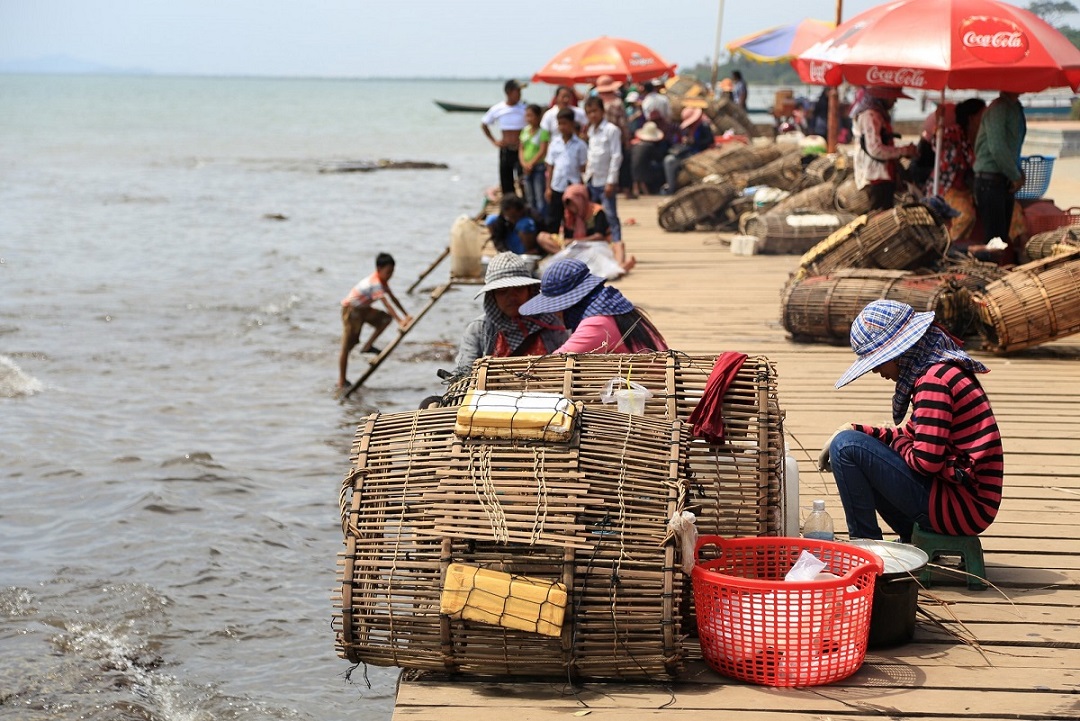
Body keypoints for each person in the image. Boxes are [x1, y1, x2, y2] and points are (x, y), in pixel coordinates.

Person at [818, 300, 1003, 542]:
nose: (876, 371)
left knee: (846, 447)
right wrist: (855, 429)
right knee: (849, 438)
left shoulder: (933, 381)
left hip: (959, 507)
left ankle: (866, 547)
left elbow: (925, 462)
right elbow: (910, 434)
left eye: (877, 362)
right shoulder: (938, 370)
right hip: (964, 503)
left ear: (899, 353)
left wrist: (889, 444)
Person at [451, 252, 568, 376]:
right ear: (492, 296)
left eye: (518, 289)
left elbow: (565, 366)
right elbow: (464, 372)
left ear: (529, 291)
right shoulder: (479, 330)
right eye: (502, 291)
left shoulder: (550, 324)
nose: (512, 297)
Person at [519, 258, 666, 354]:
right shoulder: (610, 305)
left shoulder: (597, 322)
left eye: (556, 308)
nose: (555, 314)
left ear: (571, 303)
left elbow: (556, 364)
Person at [917, 98, 987, 244]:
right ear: (972, 117)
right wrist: (939, 123)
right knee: (965, 215)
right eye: (983, 115)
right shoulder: (955, 133)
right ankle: (949, 247)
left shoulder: (977, 138)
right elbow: (939, 142)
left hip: (966, 188)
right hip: (947, 188)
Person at [338, 253, 412, 389]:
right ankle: (341, 381)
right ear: (379, 269)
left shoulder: (382, 282)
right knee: (347, 346)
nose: (390, 275)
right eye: (388, 272)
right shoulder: (375, 283)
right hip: (351, 311)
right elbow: (386, 303)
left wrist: (406, 315)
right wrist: (400, 321)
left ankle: (367, 346)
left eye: (392, 272)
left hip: (364, 309)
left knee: (385, 319)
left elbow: (393, 299)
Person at [973, 91, 1027, 258]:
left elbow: (1012, 147)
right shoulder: (999, 108)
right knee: (994, 243)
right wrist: (1015, 175)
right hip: (990, 181)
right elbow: (998, 148)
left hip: (1003, 181)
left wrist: (1017, 173)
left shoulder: (1015, 107)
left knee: (1000, 242)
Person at [851, 86, 919, 211]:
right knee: (878, 218)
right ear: (884, 96)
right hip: (875, 176)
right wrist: (904, 151)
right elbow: (876, 149)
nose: (895, 101)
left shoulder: (878, 114)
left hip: (883, 174)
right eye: (893, 97)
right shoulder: (870, 115)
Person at [583, 96, 626, 266]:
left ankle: (618, 250)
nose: (592, 115)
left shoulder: (611, 130)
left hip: (605, 180)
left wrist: (611, 181)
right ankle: (599, 251)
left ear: (602, 111)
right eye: (589, 112)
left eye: (594, 111)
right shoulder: (591, 131)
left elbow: (616, 156)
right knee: (595, 217)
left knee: (611, 215)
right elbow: (591, 155)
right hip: (592, 179)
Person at [562, 183, 635, 273]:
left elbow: (599, 236)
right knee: (543, 238)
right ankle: (619, 269)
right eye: (568, 205)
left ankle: (618, 267)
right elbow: (565, 238)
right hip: (576, 249)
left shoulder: (597, 211)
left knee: (619, 244)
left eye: (573, 204)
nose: (571, 208)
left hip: (598, 246)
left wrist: (577, 241)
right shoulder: (569, 216)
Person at [544, 107, 588, 235]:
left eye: (565, 124)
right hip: (557, 186)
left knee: (570, 219)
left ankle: (569, 246)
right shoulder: (554, 144)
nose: (562, 127)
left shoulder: (580, 145)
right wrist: (548, 188)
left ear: (572, 124)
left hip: (572, 188)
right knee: (554, 218)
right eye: (560, 124)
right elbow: (550, 166)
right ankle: (553, 246)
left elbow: (583, 168)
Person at [481, 79, 527, 196]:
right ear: (508, 92)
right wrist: (494, 141)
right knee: (506, 180)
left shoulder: (524, 108)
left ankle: (526, 205)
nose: (520, 94)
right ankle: (509, 206)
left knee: (523, 180)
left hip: (521, 149)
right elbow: (484, 124)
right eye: (517, 91)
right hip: (506, 149)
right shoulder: (498, 108)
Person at [593, 74, 635, 200]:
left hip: (602, 140)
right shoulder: (617, 103)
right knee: (623, 164)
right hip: (617, 139)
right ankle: (626, 190)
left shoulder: (598, 104)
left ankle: (612, 187)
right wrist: (627, 140)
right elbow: (623, 124)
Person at [486, 195, 561, 256]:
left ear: (521, 210)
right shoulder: (503, 218)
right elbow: (497, 238)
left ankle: (528, 253)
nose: (511, 219)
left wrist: (538, 250)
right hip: (511, 242)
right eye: (509, 217)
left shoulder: (533, 215)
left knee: (524, 224)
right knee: (491, 219)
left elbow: (544, 233)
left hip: (528, 243)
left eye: (514, 216)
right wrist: (504, 252)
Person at [662, 107, 715, 195]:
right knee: (669, 160)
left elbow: (710, 141)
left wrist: (695, 142)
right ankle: (671, 187)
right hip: (687, 153)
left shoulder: (703, 126)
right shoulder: (688, 129)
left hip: (699, 154)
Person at [518, 103, 550, 218]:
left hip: (538, 167)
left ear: (538, 117)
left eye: (531, 116)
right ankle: (532, 220)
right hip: (526, 168)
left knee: (539, 196)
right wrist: (523, 163)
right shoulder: (525, 131)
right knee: (529, 197)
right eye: (527, 116)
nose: (529, 119)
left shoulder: (543, 132)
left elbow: (543, 150)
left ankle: (542, 221)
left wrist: (531, 163)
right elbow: (521, 149)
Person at [631, 120, 669, 195]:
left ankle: (637, 191)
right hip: (644, 172)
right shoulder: (650, 146)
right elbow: (658, 157)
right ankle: (649, 192)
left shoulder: (636, 145)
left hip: (633, 170)